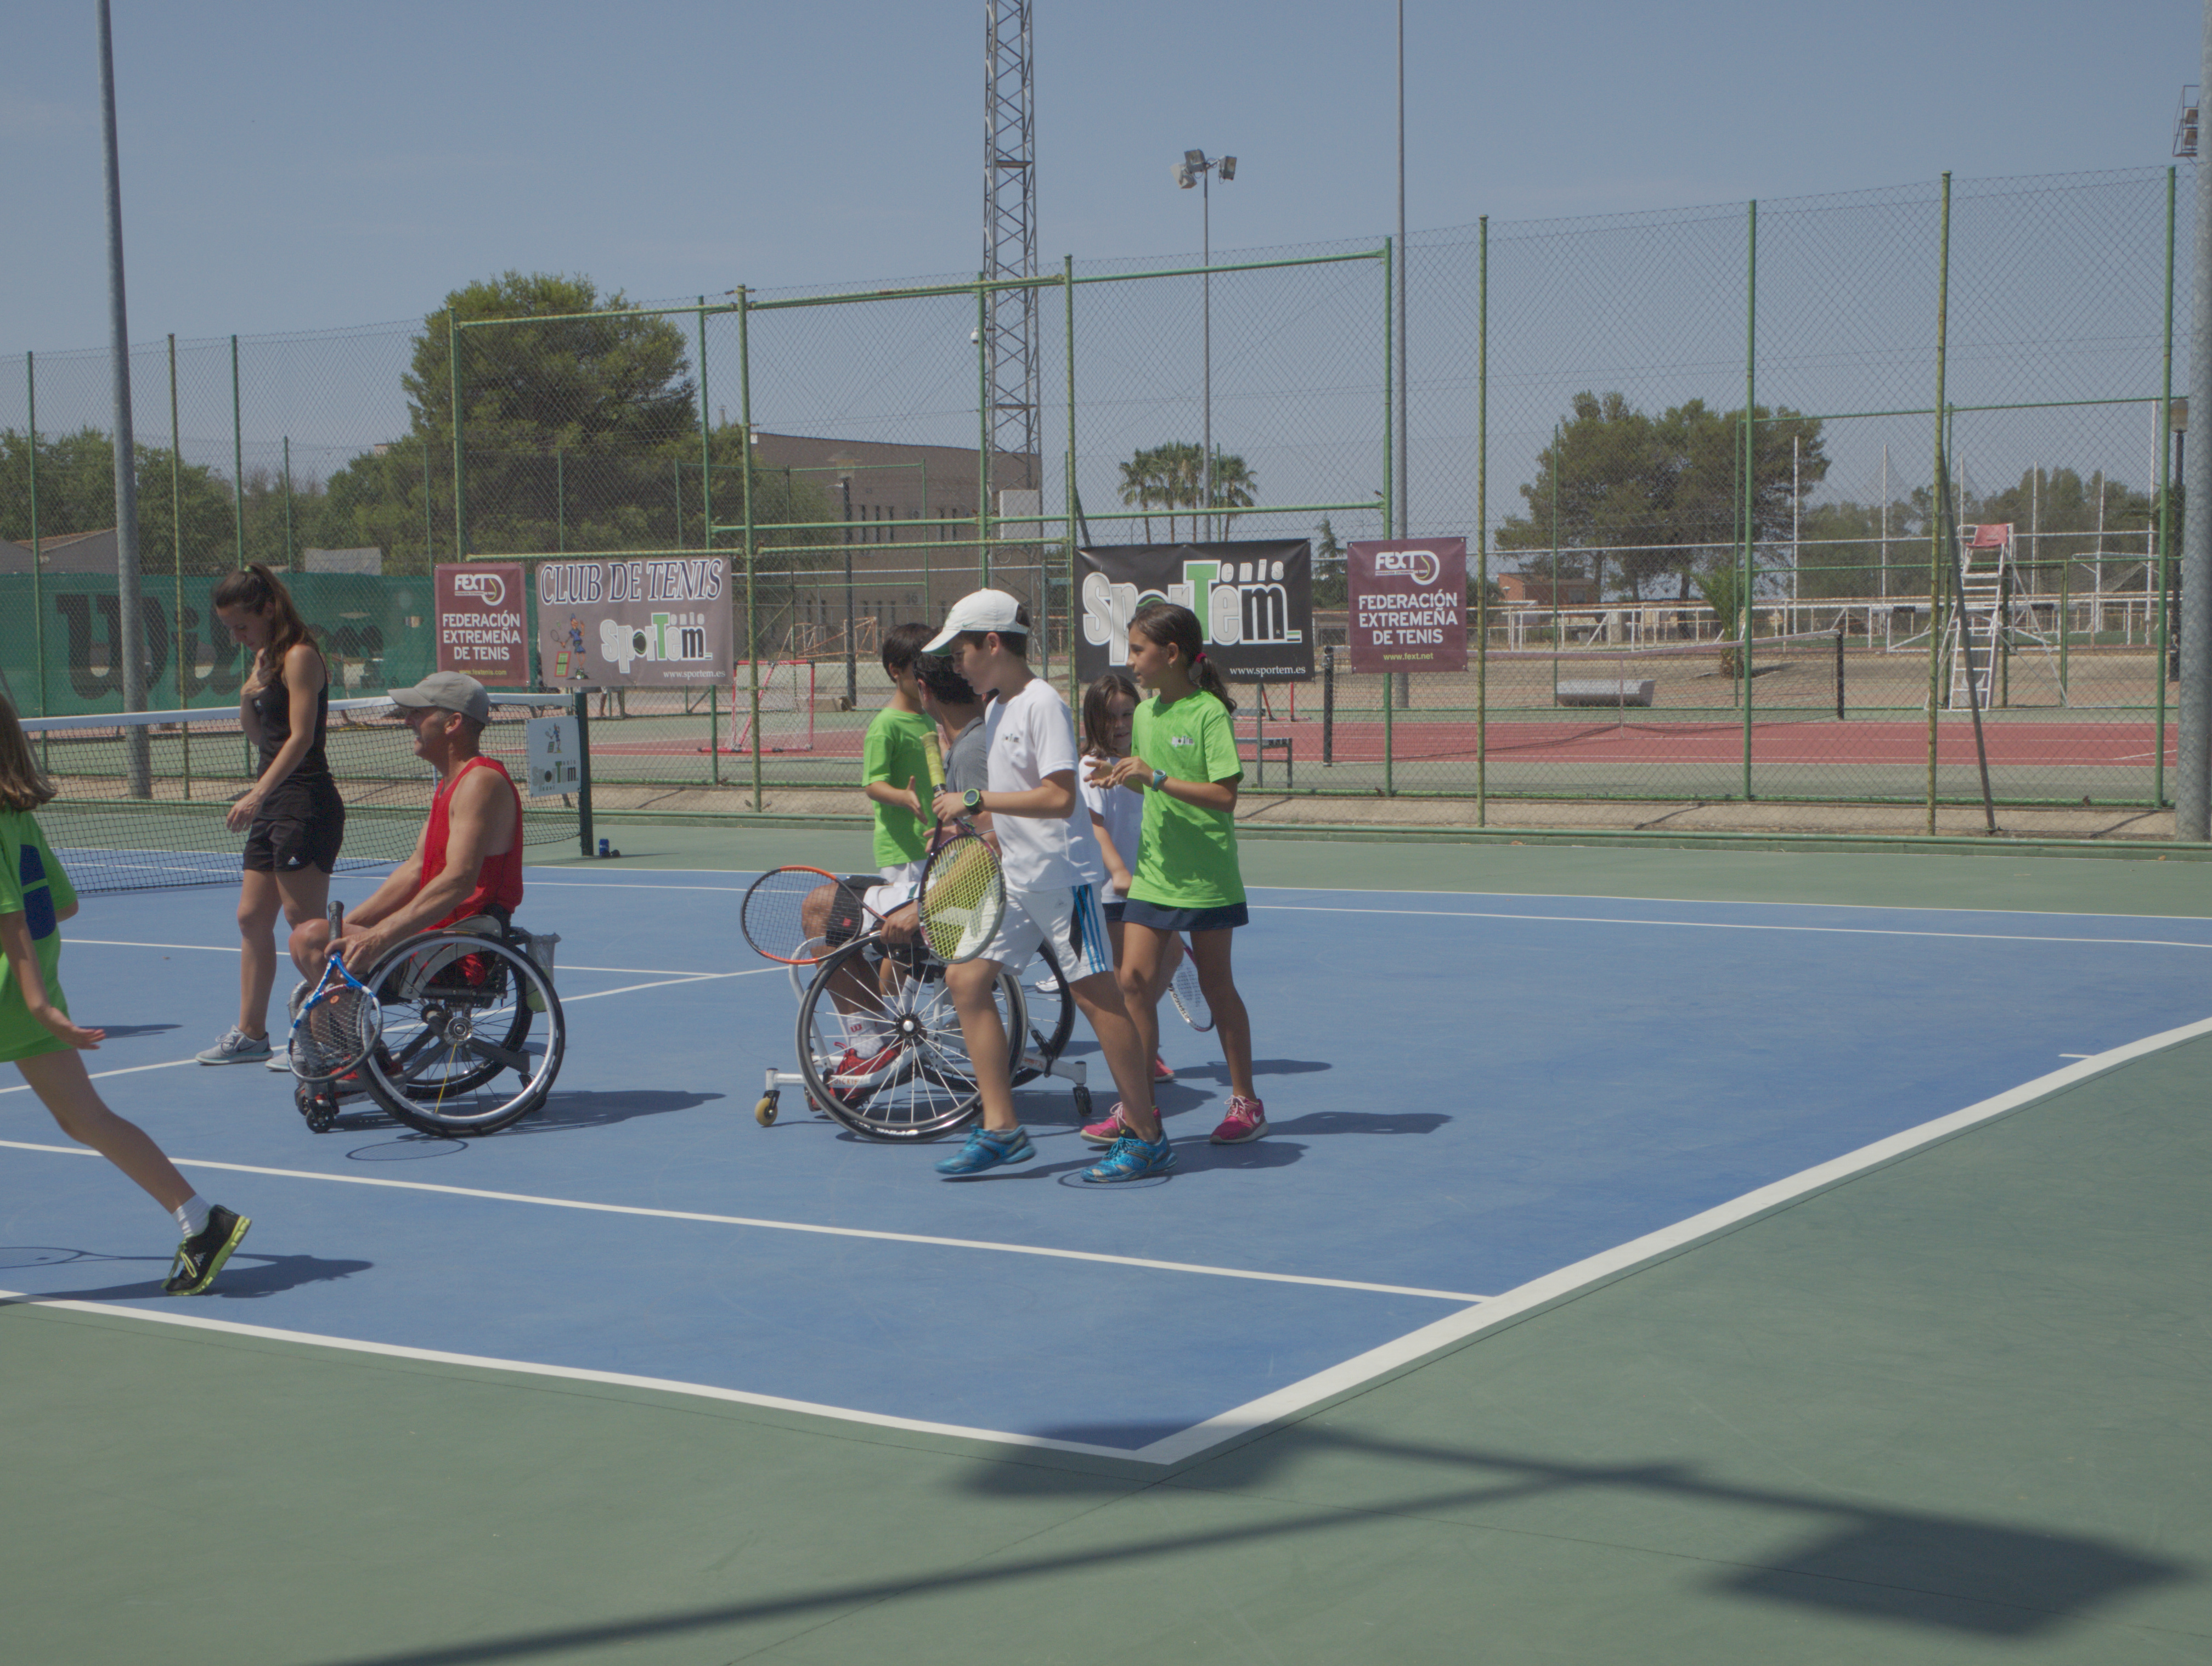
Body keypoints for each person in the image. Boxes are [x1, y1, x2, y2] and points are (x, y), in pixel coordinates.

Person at [0, 693, 251, 1294]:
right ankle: (201, 1221)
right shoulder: (18, 817)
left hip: (20, 994)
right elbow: (59, 904)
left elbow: (11, 917)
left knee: (84, 1118)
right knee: (84, 1119)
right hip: (33, 990)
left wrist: (36, 1003)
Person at [922, 590, 1172, 1183]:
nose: (956, 663)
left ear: (992, 643)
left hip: (1063, 880)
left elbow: (1060, 798)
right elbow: (1014, 802)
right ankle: (1002, 1128)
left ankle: (1147, 1136)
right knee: (966, 980)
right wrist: (972, 821)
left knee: (1099, 1002)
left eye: (961, 650)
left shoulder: (1043, 705)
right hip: (1017, 877)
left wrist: (974, 798)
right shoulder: (997, 709)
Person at [1090, 600, 1265, 1145]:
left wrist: (1156, 777)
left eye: (1137, 650)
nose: (1130, 661)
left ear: (1171, 654)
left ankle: (1246, 1104)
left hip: (1206, 876)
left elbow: (1224, 797)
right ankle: (1139, 1109)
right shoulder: (1145, 715)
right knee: (1132, 983)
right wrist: (1118, 774)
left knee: (1217, 987)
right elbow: (1148, 781)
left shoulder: (1209, 714)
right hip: (1154, 873)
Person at [196, 563, 346, 1068]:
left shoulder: (301, 656)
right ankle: (251, 1033)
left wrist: (257, 794)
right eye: (229, 629)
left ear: (267, 609)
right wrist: (248, 693)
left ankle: (333, 1038)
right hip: (274, 801)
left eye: (242, 625)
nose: (237, 637)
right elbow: (263, 737)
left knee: (305, 927)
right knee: (251, 917)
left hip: (305, 802)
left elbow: (300, 738)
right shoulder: (265, 659)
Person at [287, 671, 523, 988]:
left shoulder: (481, 781)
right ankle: (339, 1018)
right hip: (435, 938)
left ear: (452, 723)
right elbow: (415, 870)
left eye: (418, 713)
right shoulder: (450, 785)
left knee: (309, 938)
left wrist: (380, 936)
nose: (408, 720)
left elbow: (459, 881)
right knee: (313, 937)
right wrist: (348, 926)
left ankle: (339, 1020)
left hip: (461, 949)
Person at [804, 623, 938, 1088]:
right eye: (918, 667)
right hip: (902, 849)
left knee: (912, 943)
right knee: (896, 939)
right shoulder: (886, 724)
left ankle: (890, 1026)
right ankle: (883, 1029)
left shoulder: (930, 718)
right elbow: (872, 784)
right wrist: (905, 797)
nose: (926, 676)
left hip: (933, 844)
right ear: (895, 670)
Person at [1077, 671, 1176, 1093]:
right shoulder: (1090, 766)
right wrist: (1118, 871)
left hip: (1151, 886)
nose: (1119, 725)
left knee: (1171, 959)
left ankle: (1136, 1036)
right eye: (1110, 716)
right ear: (1093, 720)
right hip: (1111, 892)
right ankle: (1136, 1056)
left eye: (1127, 714)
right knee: (1127, 980)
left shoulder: (1142, 764)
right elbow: (1095, 826)